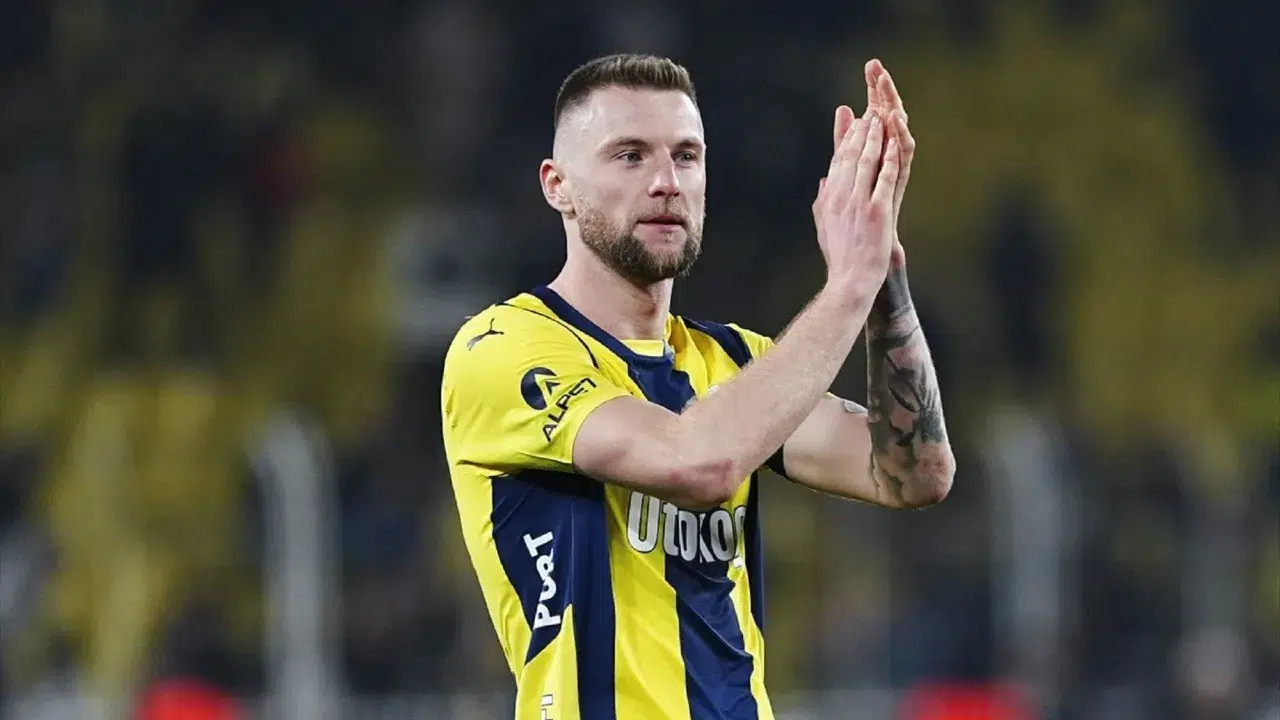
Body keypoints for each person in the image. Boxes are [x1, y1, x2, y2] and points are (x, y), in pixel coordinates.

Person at [440, 53, 955, 720]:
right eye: (630, 156)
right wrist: (847, 288)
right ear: (558, 185)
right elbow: (698, 462)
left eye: (686, 156)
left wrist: (883, 277)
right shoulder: (500, 348)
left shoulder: (733, 362)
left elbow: (913, 475)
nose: (666, 182)